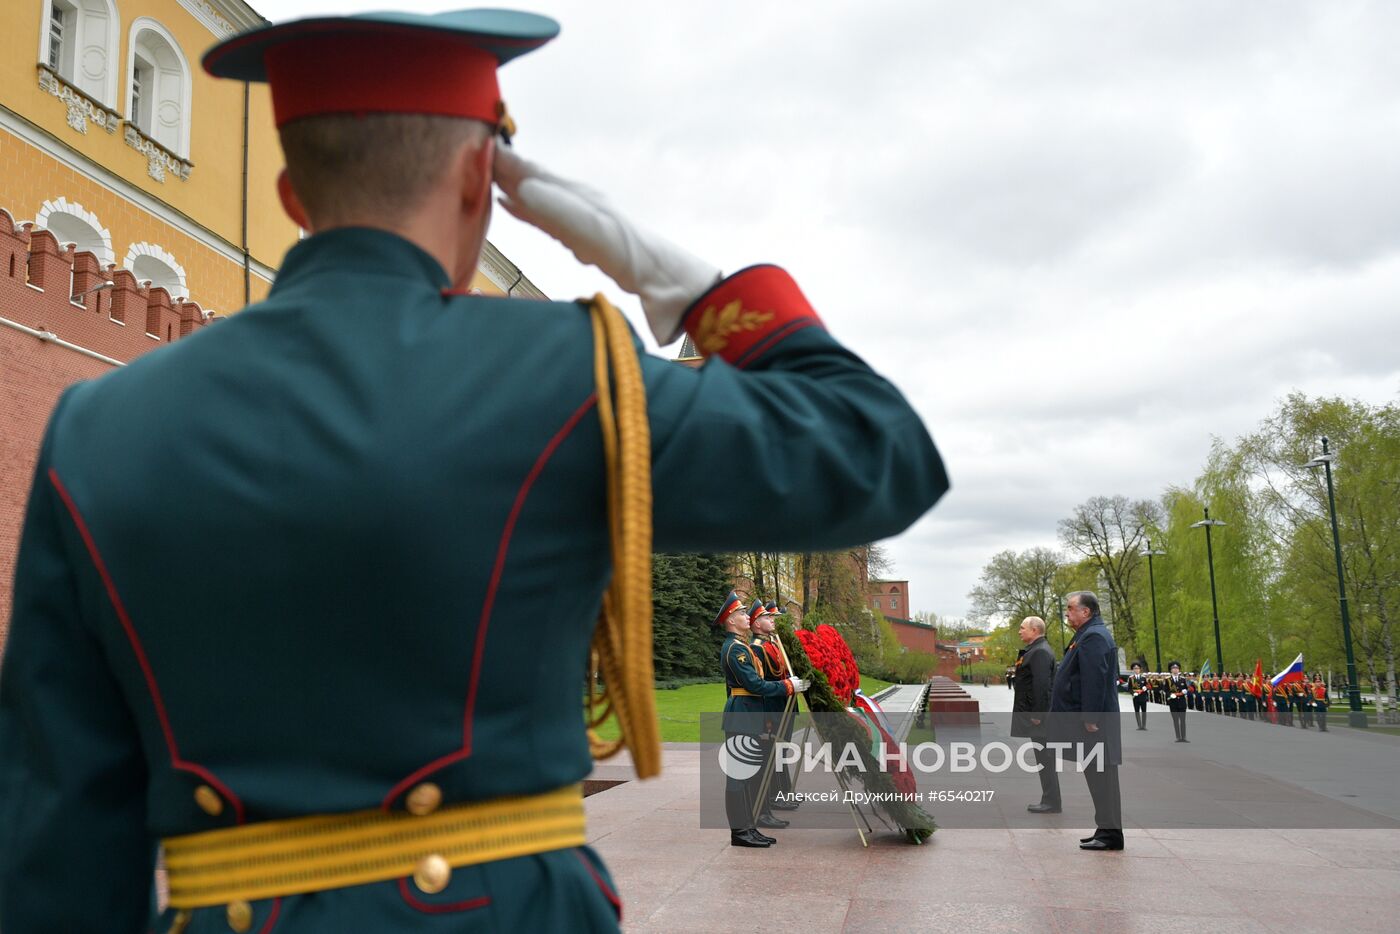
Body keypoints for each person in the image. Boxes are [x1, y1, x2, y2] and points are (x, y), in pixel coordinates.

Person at [0, 9, 948, 931]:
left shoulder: (100, 423)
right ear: (481, 183)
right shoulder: (567, 375)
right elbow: (879, 452)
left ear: (295, 195)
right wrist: (682, 281)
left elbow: (57, 828)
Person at [717, 593, 805, 847]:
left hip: (749, 714)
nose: (748, 617)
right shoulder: (735, 649)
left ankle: (749, 826)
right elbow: (754, 684)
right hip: (741, 714)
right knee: (737, 777)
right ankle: (739, 831)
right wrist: (787, 686)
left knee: (748, 776)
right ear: (732, 622)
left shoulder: (741, 646)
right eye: (743, 614)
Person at [1050, 591, 1123, 851]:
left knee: (1101, 777)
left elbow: (1095, 680)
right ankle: (1105, 829)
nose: (1067, 613)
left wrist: (1091, 718)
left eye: (1071, 608)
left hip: (1095, 724)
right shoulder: (1088, 634)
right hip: (1093, 723)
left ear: (1086, 612)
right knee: (1098, 776)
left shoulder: (1093, 636)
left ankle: (1109, 834)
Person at [1011, 616, 1060, 814]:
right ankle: (1049, 799)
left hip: (1040, 717)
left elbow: (1042, 686)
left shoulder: (1039, 652)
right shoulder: (1036, 649)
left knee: (1045, 758)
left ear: (1034, 630)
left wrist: (1037, 714)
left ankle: (1051, 801)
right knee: (1043, 758)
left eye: (1023, 628)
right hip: (1038, 714)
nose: (1019, 631)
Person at [1166, 662, 1190, 742]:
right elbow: (1165, 690)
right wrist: (1170, 695)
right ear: (1171, 670)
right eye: (1173, 668)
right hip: (1173, 703)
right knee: (1175, 720)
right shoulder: (1167, 680)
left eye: (1177, 668)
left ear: (1179, 670)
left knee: (1183, 720)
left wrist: (1186, 691)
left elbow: (1187, 689)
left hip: (1182, 702)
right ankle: (1178, 737)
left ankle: (1184, 737)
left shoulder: (1183, 679)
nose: (1175, 670)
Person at [1127, 661, 1149, 731]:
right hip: (1135, 697)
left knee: (1144, 711)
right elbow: (1129, 688)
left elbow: (1148, 685)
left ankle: (1144, 725)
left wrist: (1146, 688)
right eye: (1135, 668)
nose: (1136, 670)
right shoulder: (1131, 678)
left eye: (1138, 668)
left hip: (1143, 696)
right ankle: (1139, 725)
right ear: (1133, 670)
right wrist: (1133, 693)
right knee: (1137, 711)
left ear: (1140, 669)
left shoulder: (1143, 677)